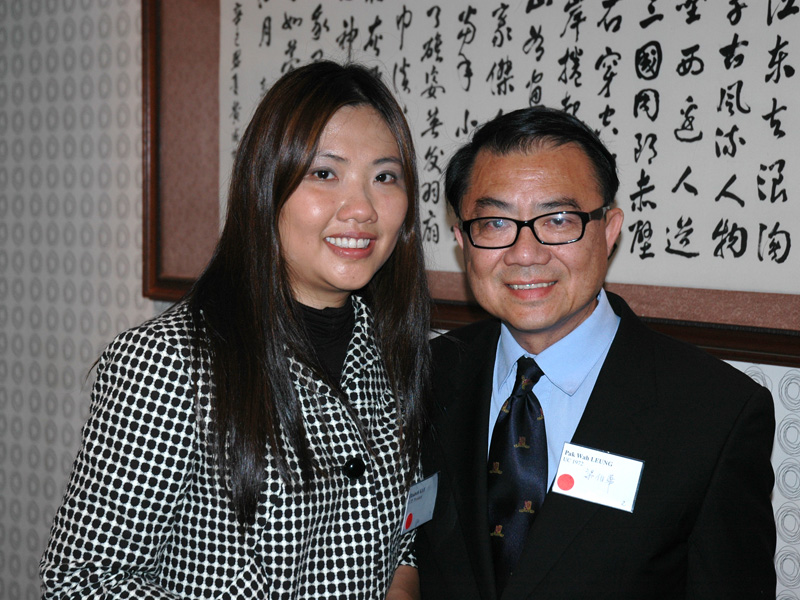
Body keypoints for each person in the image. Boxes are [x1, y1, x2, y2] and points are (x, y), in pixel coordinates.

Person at [40, 61, 429, 599]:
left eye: (385, 177)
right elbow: (80, 582)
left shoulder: (399, 354)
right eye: (324, 173)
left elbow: (406, 529)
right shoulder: (168, 360)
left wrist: (402, 582)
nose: (362, 208)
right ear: (266, 186)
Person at [414, 106, 776, 599]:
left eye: (559, 219)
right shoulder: (426, 376)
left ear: (609, 230)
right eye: (495, 222)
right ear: (462, 240)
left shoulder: (716, 413)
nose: (525, 253)